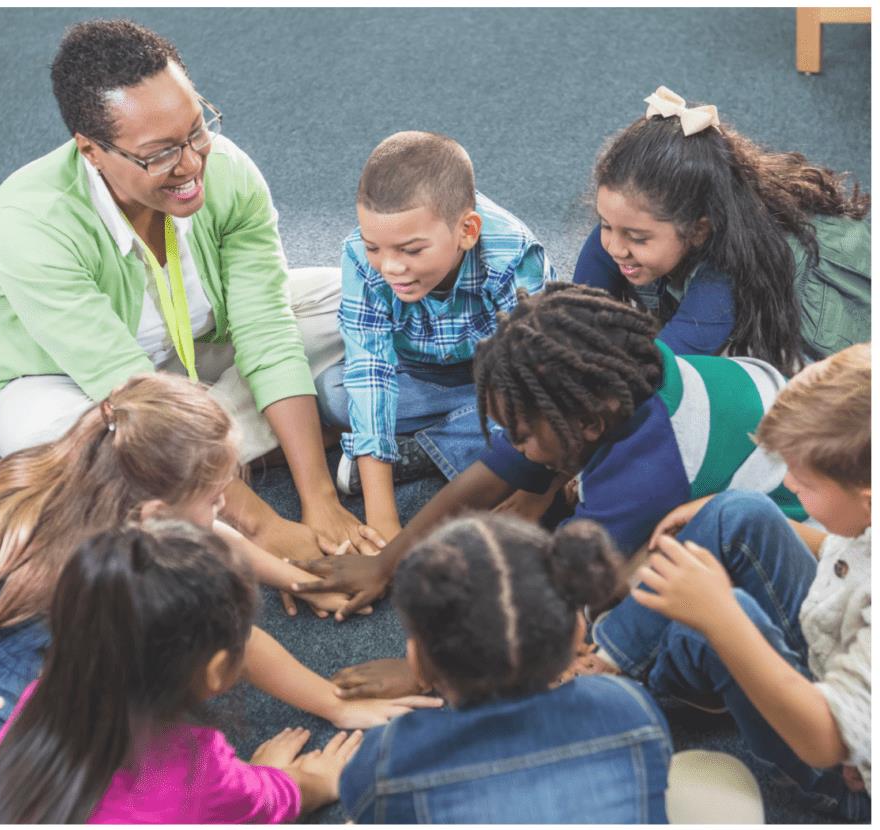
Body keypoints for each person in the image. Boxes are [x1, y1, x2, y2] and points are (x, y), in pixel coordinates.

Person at [0, 373, 440, 812]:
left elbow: (201, 532)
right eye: (217, 496)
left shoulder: (83, 467)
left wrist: (294, 576)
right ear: (157, 514)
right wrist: (302, 774)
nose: (226, 511)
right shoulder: (130, 591)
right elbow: (215, 786)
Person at [0, 18, 374, 559]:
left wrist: (319, 498)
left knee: (354, 296)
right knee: (72, 442)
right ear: (91, 150)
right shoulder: (28, 224)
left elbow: (266, 328)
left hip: (194, 353)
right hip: (75, 385)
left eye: (197, 129)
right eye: (160, 153)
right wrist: (267, 529)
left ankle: (210, 458)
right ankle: (233, 454)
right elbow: (133, 393)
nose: (192, 163)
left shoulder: (226, 169)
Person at [292, 284, 805, 630]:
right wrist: (386, 562)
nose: (510, 447)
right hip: (760, 417)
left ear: (588, 425)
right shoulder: (615, 382)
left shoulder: (645, 472)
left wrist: (422, 672)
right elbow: (487, 478)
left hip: (796, 528)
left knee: (622, 614)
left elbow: (563, 594)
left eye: (520, 434)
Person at [585, 342, 871, 820]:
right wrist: (719, 512)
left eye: (804, 481)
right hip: (831, 644)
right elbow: (845, 554)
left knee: (709, 623)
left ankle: (611, 701)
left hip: (844, 765)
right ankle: (610, 658)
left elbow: (825, 742)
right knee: (741, 510)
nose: (792, 486)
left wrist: (722, 616)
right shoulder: (864, 517)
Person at [0, 521, 364, 823]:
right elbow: (270, 803)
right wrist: (315, 781)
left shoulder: (37, 700)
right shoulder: (197, 771)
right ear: (218, 670)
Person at [339, 512, 674, 823]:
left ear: (419, 664)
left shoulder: (391, 758)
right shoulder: (629, 704)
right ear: (577, 634)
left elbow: (360, 800)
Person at [315, 131, 556, 542]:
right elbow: (369, 368)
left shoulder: (513, 255)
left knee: (540, 425)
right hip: (416, 373)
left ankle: (425, 448)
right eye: (376, 247)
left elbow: (534, 380)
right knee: (334, 394)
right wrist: (383, 521)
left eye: (411, 251)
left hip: (496, 379)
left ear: (467, 230)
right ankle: (450, 445)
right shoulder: (359, 255)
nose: (390, 267)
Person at [573, 85, 870, 375]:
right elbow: (577, 314)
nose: (615, 247)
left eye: (637, 238)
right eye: (606, 224)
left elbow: (657, 371)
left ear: (699, 230)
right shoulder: (625, 230)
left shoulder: (726, 276)